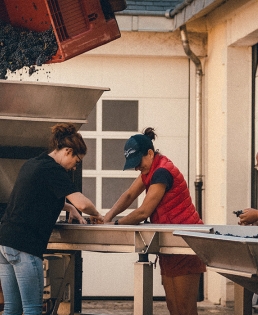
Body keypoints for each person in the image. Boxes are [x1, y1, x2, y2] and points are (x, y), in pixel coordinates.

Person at [0, 123, 104, 315]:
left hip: (5, 243)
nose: (75, 166)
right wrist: (97, 214)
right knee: (32, 309)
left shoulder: (34, 163)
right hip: (25, 246)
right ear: (67, 151)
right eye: (77, 160)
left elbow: (35, 194)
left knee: (11, 309)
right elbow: (83, 204)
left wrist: (68, 207)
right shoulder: (54, 170)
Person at [103, 127, 206, 315]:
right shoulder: (150, 170)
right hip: (171, 243)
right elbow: (128, 195)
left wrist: (117, 225)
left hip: (186, 243)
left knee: (185, 309)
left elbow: (143, 212)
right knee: (173, 306)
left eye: (138, 161)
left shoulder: (162, 172)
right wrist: (106, 218)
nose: (136, 167)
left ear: (150, 153)